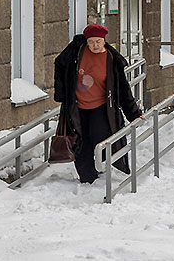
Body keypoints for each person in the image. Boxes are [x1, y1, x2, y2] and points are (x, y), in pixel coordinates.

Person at [53, 23, 143, 184]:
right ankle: (87, 178)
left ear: (104, 41)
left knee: (101, 137)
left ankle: (102, 166)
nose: (95, 45)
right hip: (77, 107)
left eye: (98, 42)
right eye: (91, 42)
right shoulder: (76, 52)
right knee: (80, 141)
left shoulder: (112, 59)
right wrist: (61, 93)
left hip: (101, 107)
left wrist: (134, 113)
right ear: (86, 41)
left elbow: (123, 89)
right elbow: (59, 64)